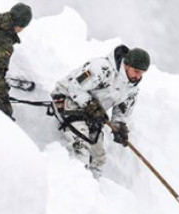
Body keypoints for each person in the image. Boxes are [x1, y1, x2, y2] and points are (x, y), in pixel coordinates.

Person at [51, 45, 150, 178]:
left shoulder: (132, 89)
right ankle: (74, 182)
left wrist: (120, 126)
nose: (138, 76)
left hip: (93, 112)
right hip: (68, 98)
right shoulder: (101, 69)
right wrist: (91, 105)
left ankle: (92, 188)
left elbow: (122, 113)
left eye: (142, 73)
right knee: (81, 145)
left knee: (98, 157)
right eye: (136, 71)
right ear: (126, 64)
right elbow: (75, 86)